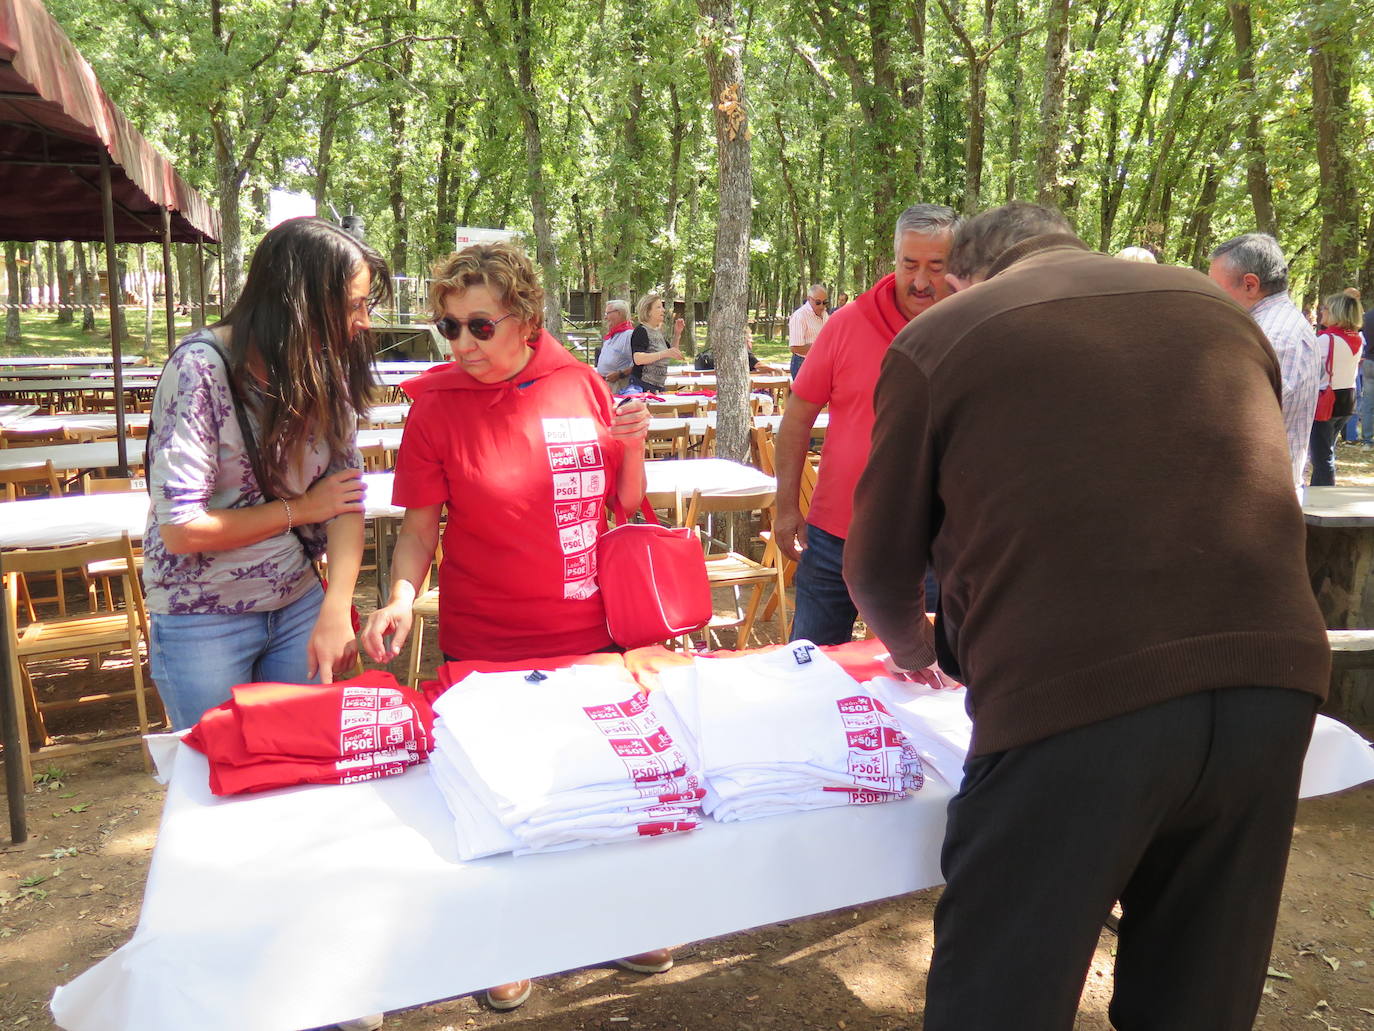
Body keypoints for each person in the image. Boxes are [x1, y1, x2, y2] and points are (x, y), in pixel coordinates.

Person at [846, 202, 1328, 1031]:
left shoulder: (944, 334)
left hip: (1073, 698)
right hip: (1272, 682)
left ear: (964, 275)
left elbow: (879, 564)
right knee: (1198, 997)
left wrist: (918, 642)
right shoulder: (1215, 309)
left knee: (1002, 993)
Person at [359, 242, 667, 1011]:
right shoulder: (436, 405)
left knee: (597, 780)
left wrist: (633, 446)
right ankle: (505, 937)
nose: (461, 343)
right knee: (495, 792)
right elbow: (419, 530)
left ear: (525, 317)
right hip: (485, 637)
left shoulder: (584, 385)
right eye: (447, 327)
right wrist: (400, 596)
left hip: (586, 633)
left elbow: (623, 506)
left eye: (477, 325)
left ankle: (620, 920)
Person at [144, 216, 388, 732]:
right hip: (203, 619)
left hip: (298, 602)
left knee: (300, 764)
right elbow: (182, 530)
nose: (364, 321)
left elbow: (344, 499)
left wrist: (335, 607)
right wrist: (301, 510)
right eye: (353, 305)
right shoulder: (201, 370)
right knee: (219, 776)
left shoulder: (321, 367)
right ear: (299, 302)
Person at [774, 203, 959, 646]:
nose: (920, 280)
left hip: (933, 545)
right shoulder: (846, 324)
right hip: (837, 536)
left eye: (936, 267)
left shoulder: (971, 329)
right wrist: (785, 507)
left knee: (931, 679)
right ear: (893, 259)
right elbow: (798, 416)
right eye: (909, 264)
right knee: (812, 664)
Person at [1208, 232, 1320, 486]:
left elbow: (1241, 426)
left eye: (1216, 286)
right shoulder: (1272, 328)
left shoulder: (1273, 337)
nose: (1212, 296)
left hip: (1256, 494)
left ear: (1250, 284)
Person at [1309, 291, 1364, 485]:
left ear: (1336, 312)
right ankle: (1322, 494)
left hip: (1326, 400)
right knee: (1327, 452)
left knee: (1321, 457)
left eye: (1325, 308)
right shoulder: (1357, 339)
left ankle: (1321, 499)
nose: (1321, 311)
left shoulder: (1326, 340)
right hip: (1347, 399)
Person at [627, 292, 685, 394]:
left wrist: (677, 334)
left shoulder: (658, 332)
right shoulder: (641, 331)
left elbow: (672, 353)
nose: (663, 310)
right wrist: (664, 353)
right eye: (658, 307)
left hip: (657, 386)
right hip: (642, 386)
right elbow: (638, 359)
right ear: (648, 311)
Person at [786, 283, 828, 378]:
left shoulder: (825, 315)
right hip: (803, 364)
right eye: (818, 302)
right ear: (809, 299)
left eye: (825, 302)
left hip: (821, 364)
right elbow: (795, 348)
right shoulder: (800, 316)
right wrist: (819, 347)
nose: (822, 306)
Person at [594, 298, 635, 391]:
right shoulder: (612, 335)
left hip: (618, 386)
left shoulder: (629, 335)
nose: (605, 317)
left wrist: (620, 374)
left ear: (619, 313)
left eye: (607, 313)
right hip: (605, 384)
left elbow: (638, 364)